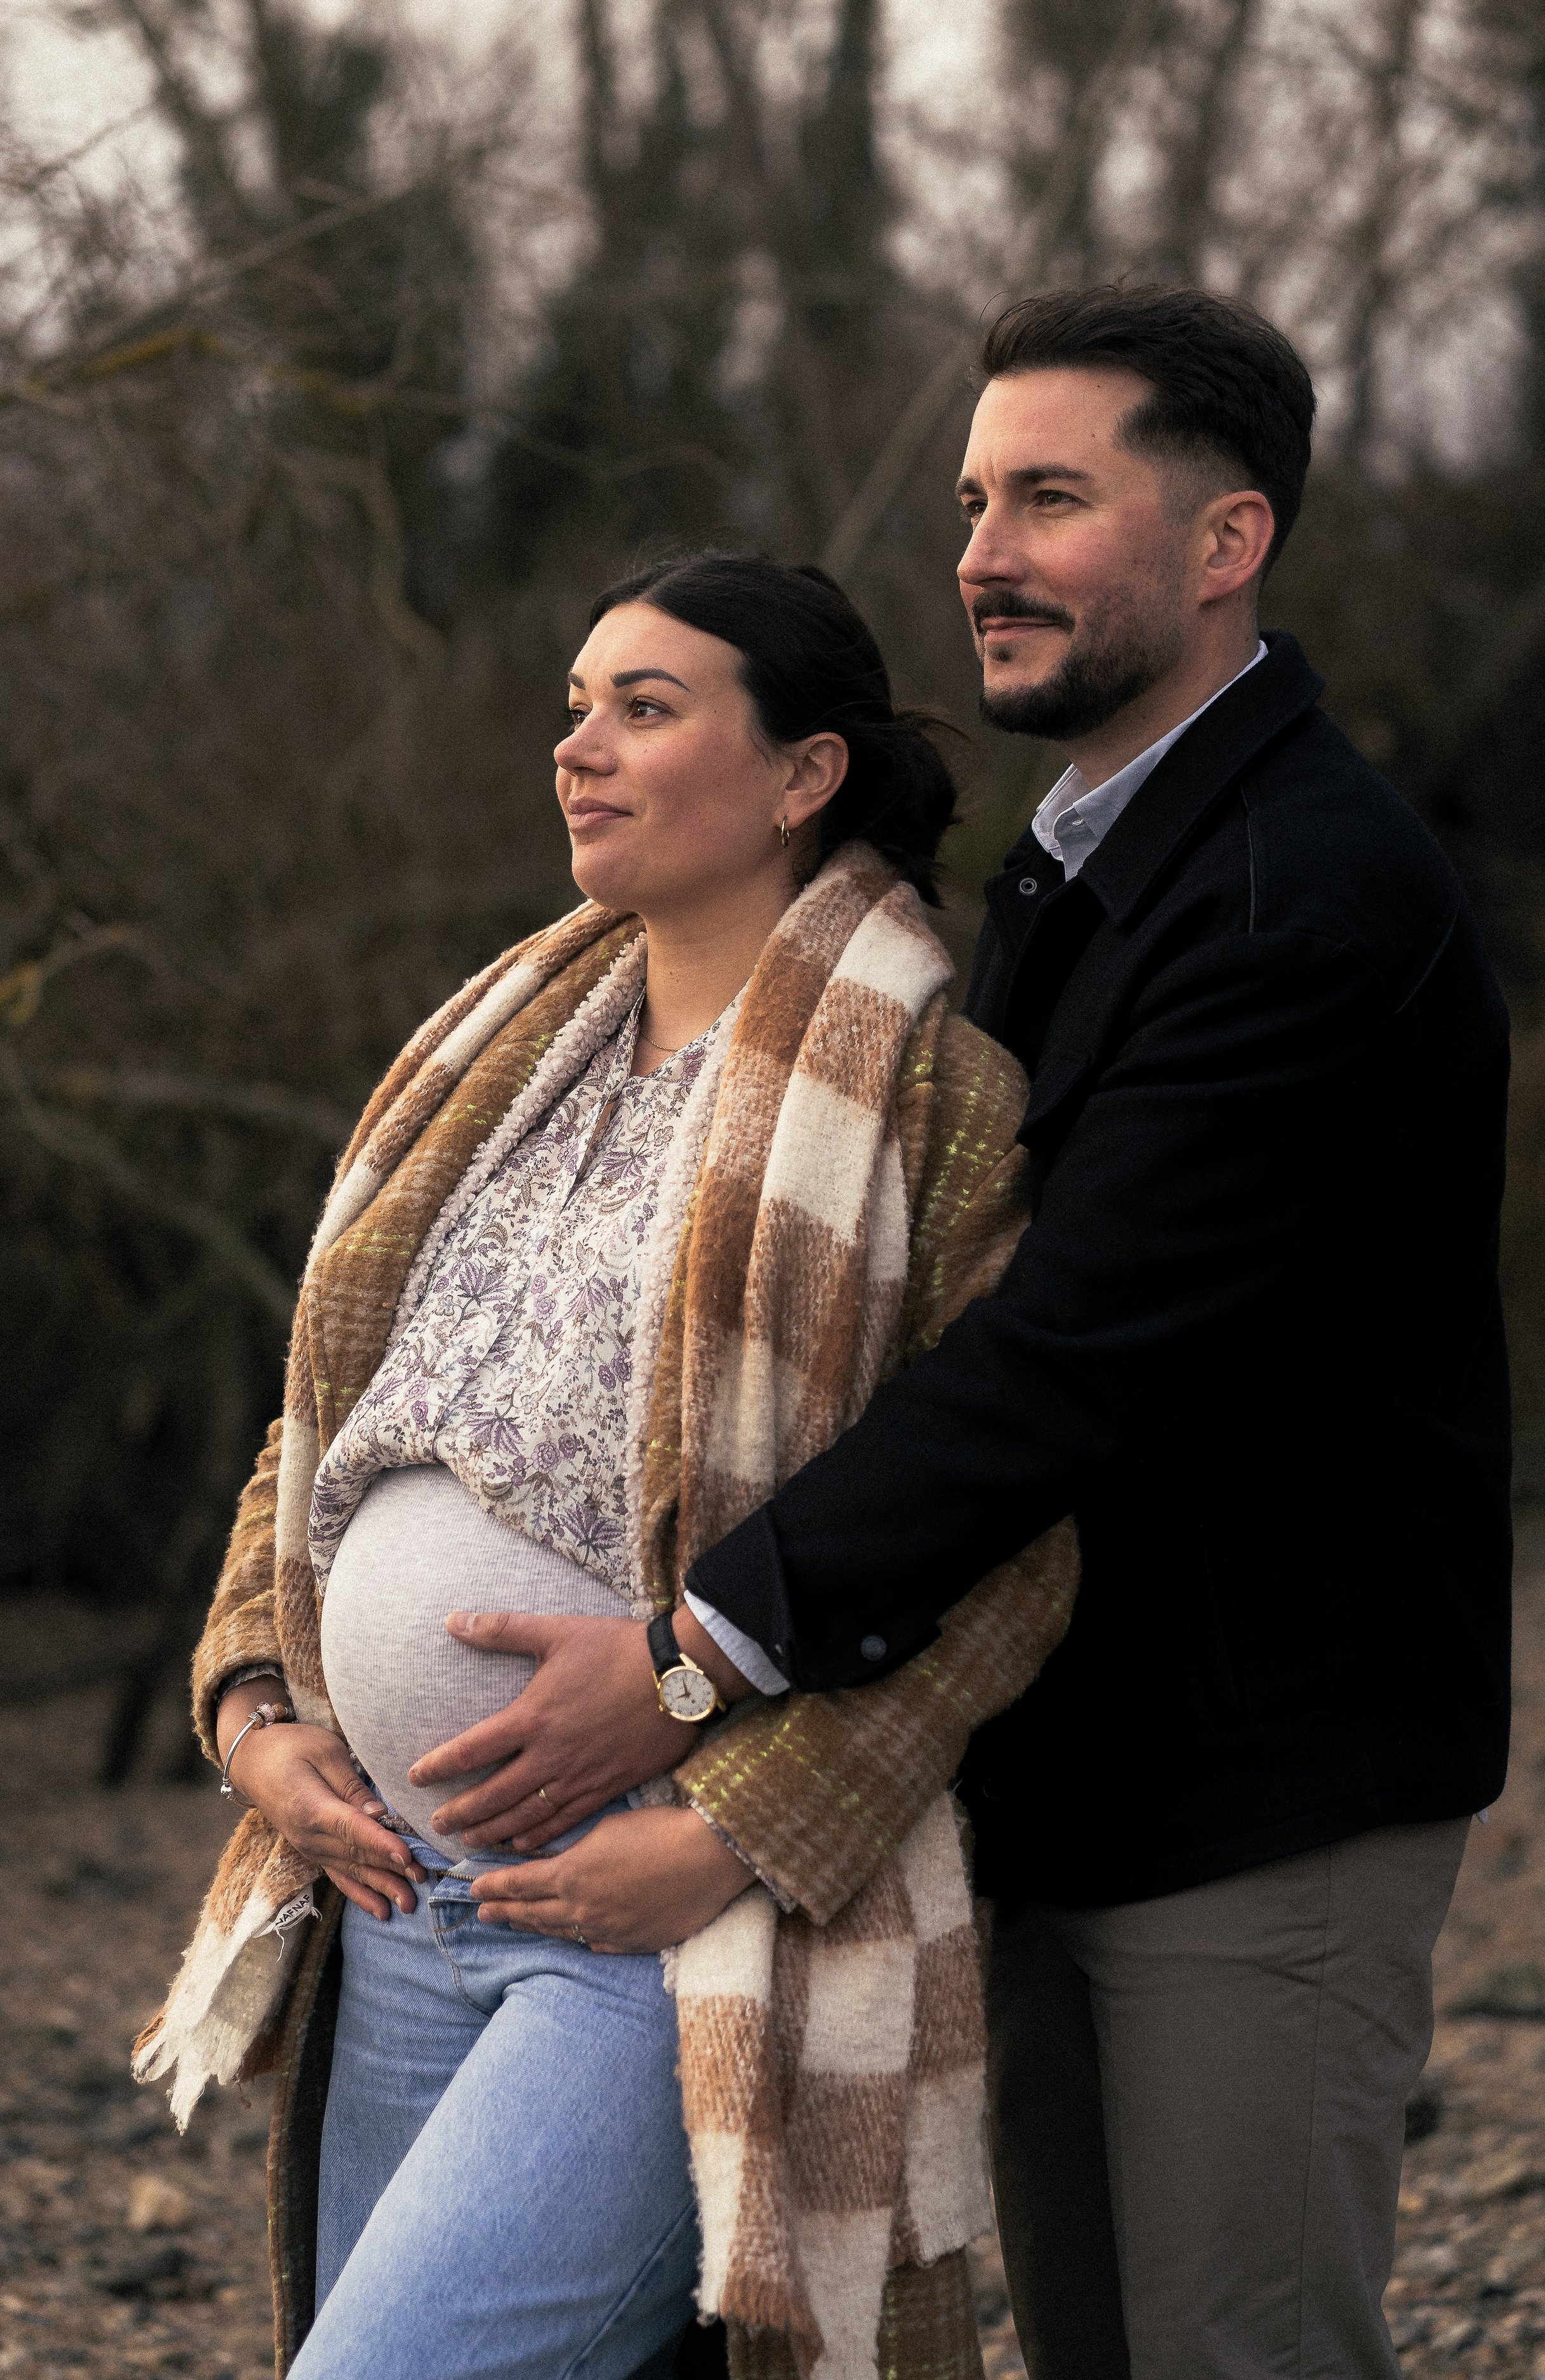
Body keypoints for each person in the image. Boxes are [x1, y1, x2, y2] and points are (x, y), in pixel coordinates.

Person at [465, 286, 1512, 2380]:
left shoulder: (1295, 896)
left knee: (1244, 2354)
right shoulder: (1067, 871)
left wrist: (692, 1663)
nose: (980, 553)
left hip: (1263, 1785)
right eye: (970, 499)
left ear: (1224, 545)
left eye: (1050, 497)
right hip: (1063, 1763)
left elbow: (1060, 1360)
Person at [134, 553, 1081, 2380]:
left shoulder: (927, 1102)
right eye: (575, 706)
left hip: (648, 1921)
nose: (578, 747)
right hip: (391, 1897)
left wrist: (733, 1835)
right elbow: (323, 1424)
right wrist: (255, 1705)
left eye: (643, 710)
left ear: (803, 776)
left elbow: (1000, 1552)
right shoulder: (491, 1049)